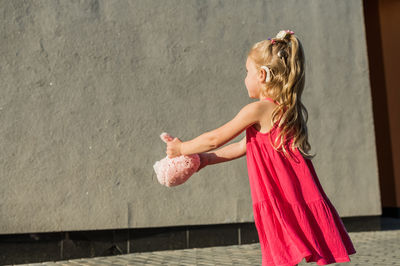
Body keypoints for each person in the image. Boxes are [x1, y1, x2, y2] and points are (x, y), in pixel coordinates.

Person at [166, 29, 356, 266]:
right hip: (291, 195)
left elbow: (216, 138)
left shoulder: (258, 110)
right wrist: (205, 160)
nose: (244, 78)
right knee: (286, 255)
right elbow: (244, 147)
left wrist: (182, 148)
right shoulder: (285, 111)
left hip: (277, 196)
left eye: (247, 72)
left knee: (281, 256)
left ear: (263, 75)